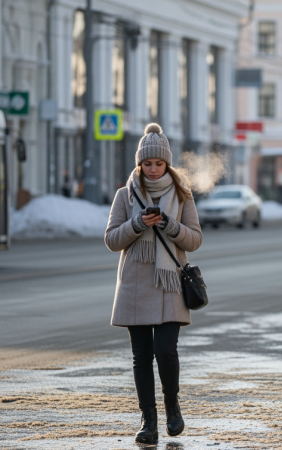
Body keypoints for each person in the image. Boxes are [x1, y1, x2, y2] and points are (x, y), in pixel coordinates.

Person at [104, 123, 203, 443]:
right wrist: (137, 223)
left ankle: (172, 407)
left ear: (167, 163)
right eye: (147, 163)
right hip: (135, 284)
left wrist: (170, 226)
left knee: (166, 351)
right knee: (141, 356)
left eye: (159, 163)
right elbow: (111, 240)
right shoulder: (125, 194)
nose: (153, 169)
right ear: (139, 164)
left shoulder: (183, 194)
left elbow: (195, 240)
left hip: (170, 284)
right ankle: (149, 421)